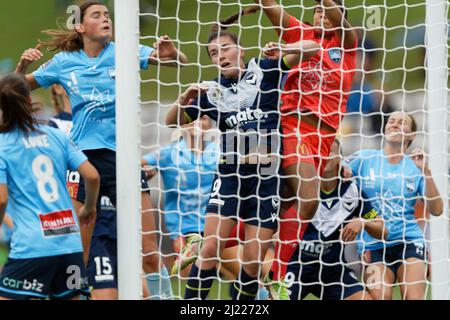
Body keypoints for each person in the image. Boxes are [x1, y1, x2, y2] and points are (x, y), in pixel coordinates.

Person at [15, 1, 188, 299]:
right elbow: (15, 88)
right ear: (81, 27)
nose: (106, 18)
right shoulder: (65, 63)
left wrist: (172, 55)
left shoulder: (124, 51)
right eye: (97, 15)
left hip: (123, 160)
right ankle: (73, 294)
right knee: (79, 252)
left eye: (108, 15)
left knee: (149, 252)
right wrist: (22, 66)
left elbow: (179, 61)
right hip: (85, 161)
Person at [166, 7, 319, 300]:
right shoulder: (211, 92)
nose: (220, 55)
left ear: (240, 50)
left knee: (252, 259)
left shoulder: (267, 70)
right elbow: (171, 121)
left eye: (225, 48)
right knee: (210, 247)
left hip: (265, 178)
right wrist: (183, 98)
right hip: (230, 176)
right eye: (213, 53)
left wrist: (285, 47)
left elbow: (312, 48)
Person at [253, 0, 358, 298]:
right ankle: (278, 275)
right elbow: (272, 8)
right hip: (294, 124)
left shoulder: (346, 44)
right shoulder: (303, 33)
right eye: (317, 10)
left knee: (284, 205)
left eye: (328, 11)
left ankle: (226, 248)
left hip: (324, 138)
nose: (321, 14)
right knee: (308, 199)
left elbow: (340, 22)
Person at [0, 73, 100, 300]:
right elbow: (92, 176)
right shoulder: (56, 136)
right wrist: (89, 207)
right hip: (70, 243)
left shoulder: (3, 145)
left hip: (32, 246)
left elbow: (1, 199)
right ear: (28, 100)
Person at [345, 111, 443, 300]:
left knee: (413, 297)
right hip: (373, 244)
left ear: (412, 135)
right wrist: (343, 171)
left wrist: (426, 171)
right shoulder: (363, 158)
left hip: (409, 241)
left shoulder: (415, 166)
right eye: (391, 121)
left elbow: (437, 209)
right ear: (385, 127)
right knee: (381, 297)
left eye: (402, 122)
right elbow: (332, 173)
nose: (395, 124)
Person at [284, 139, 386, 300]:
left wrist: (363, 222)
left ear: (340, 159)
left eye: (329, 150)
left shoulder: (352, 192)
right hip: (296, 267)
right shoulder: (298, 186)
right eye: (319, 150)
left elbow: (383, 230)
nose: (323, 154)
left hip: (333, 272)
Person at [142, 116, 219, 277]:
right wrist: (148, 172)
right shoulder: (168, 153)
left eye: (202, 118)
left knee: (243, 268)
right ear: (181, 124)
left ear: (209, 124)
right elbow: (141, 166)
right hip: (184, 226)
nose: (196, 122)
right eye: (192, 117)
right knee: (191, 274)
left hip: (216, 224)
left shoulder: (218, 152)